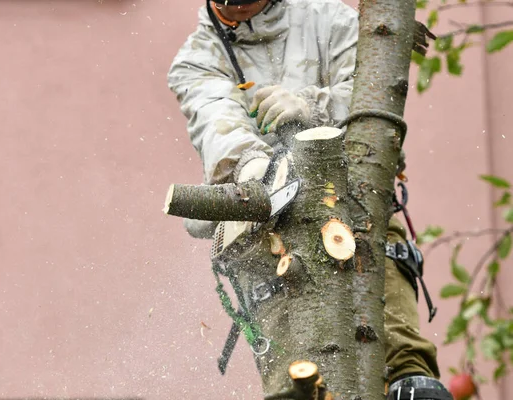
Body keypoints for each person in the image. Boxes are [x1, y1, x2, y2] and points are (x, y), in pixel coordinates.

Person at [167, 0, 453, 398]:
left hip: (356, 209)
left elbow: (372, 103)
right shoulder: (198, 59)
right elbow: (219, 128)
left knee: (409, 374)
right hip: (269, 241)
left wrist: (313, 107)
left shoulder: (330, 19)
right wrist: (254, 175)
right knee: (299, 385)